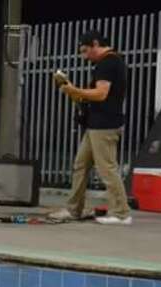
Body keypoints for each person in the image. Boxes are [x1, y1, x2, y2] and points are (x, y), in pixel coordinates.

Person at [49, 30, 132, 225]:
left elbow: (102, 94)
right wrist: (71, 90)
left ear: (95, 44)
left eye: (86, 51)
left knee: (107, 168)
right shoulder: (110, 62)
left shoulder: (108, 62)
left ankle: (121, 213)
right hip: (96, 124)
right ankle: (74, 209)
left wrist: (74, 90)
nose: (84, 57)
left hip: (105, 124)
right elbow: (94, 94)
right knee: (81, 165)